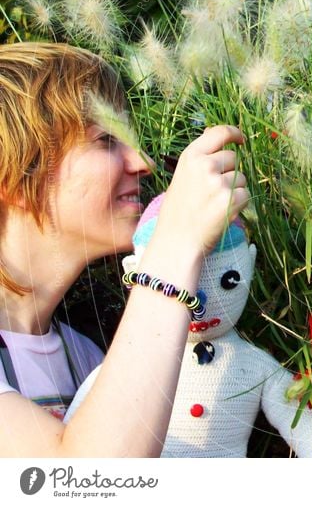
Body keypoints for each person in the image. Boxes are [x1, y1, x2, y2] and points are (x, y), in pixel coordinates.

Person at [0, 42, 249, 456]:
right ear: (15, 175)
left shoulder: (84, 356)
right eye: (105, 140)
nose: (143, 163)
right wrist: (174, 244)